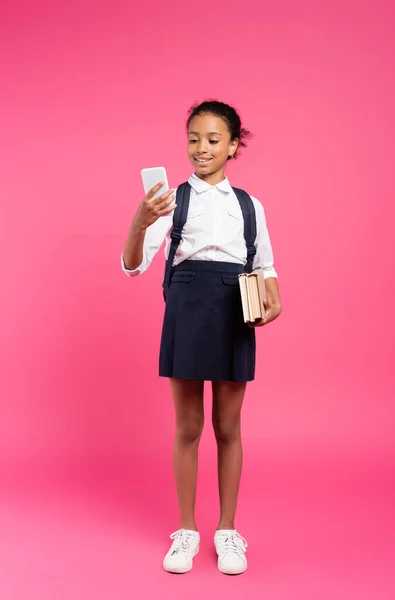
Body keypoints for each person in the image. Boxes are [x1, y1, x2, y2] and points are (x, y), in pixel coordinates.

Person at [121, 100, 282, 575]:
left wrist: (272, 301)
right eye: (193, 139)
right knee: (188, 427)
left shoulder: (251, 206)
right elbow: (133, 264)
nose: (201, 148)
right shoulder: (171, 200)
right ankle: (187, 530)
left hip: (235, 309)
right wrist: (141, 218)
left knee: (229, 427)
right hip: (188, 311)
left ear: (233, 145)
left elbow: (265, 267)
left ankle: (228, 531)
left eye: (213, 140)